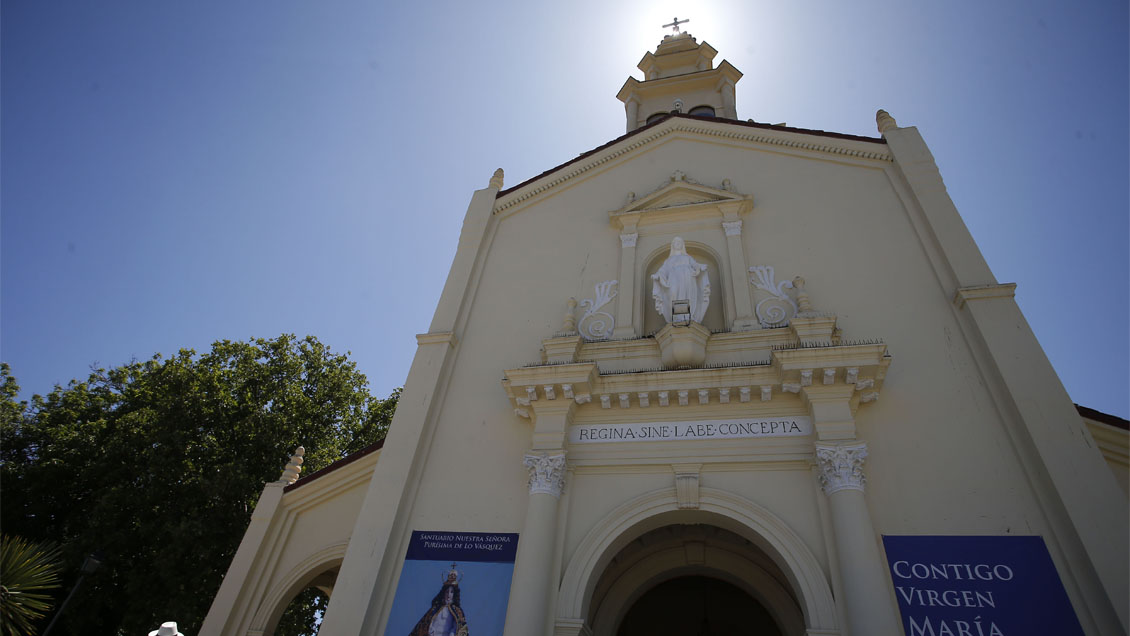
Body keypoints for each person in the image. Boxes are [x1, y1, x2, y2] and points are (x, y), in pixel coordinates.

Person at [651, 236, 710, 323]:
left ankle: (686, 315)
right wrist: (657, 275)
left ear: (682, 245)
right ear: (673, 245)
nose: (677, 244)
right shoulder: (669, 260)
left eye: (679, 242)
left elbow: (695, 265)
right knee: (673, 293)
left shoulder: (687, 258)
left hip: (688, 278)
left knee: (687, 295)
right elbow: (663, 270)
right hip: (674, 279)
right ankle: (677, 316)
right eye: (676, 242)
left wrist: (700, 267)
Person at [409, 566, 469, 636]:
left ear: (454, 594)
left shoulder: (457, 611)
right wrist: (431, 632)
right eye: (447, 592)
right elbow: (428, 623)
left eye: (451, 592)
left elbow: (457, 627)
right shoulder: (435, 609)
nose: (449, 594)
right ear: (443, 593)